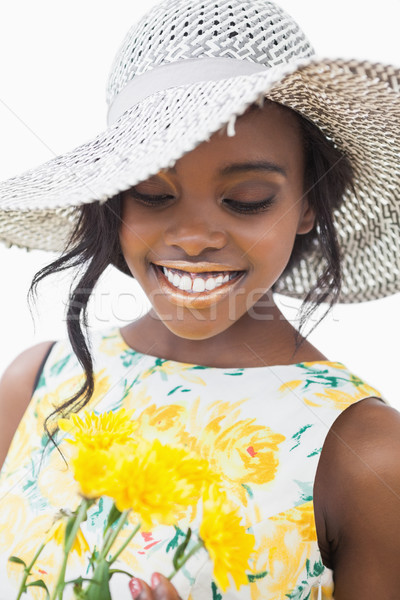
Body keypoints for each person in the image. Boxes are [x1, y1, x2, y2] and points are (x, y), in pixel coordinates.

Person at [0, 0, 399, 598]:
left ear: (310, 204)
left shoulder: (366, 453)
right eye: (153, 195)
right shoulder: (35, 382)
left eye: (246, 199)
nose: (192, 238)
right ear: (113, 199)